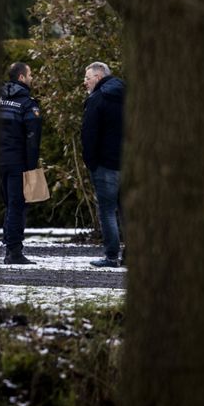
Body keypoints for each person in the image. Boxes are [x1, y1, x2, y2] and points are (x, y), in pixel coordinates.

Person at [81, 61, 126, 268]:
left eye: (87, 78)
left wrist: (91, 162)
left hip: (105, 164)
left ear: (98, 77)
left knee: (107, 211)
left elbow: (89, 134)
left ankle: (111, 256)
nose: (85, 82)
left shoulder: (98, 99)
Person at [0, 62, 42, 265]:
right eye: (30, 74)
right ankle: (14, 251)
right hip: (18, 162)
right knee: (18, 205)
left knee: (9, 204)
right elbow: (32, 138)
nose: (32, 78)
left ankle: (9, 244)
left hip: (0, 161)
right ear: (22, 78)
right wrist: (31, 169)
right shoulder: (27, 104)